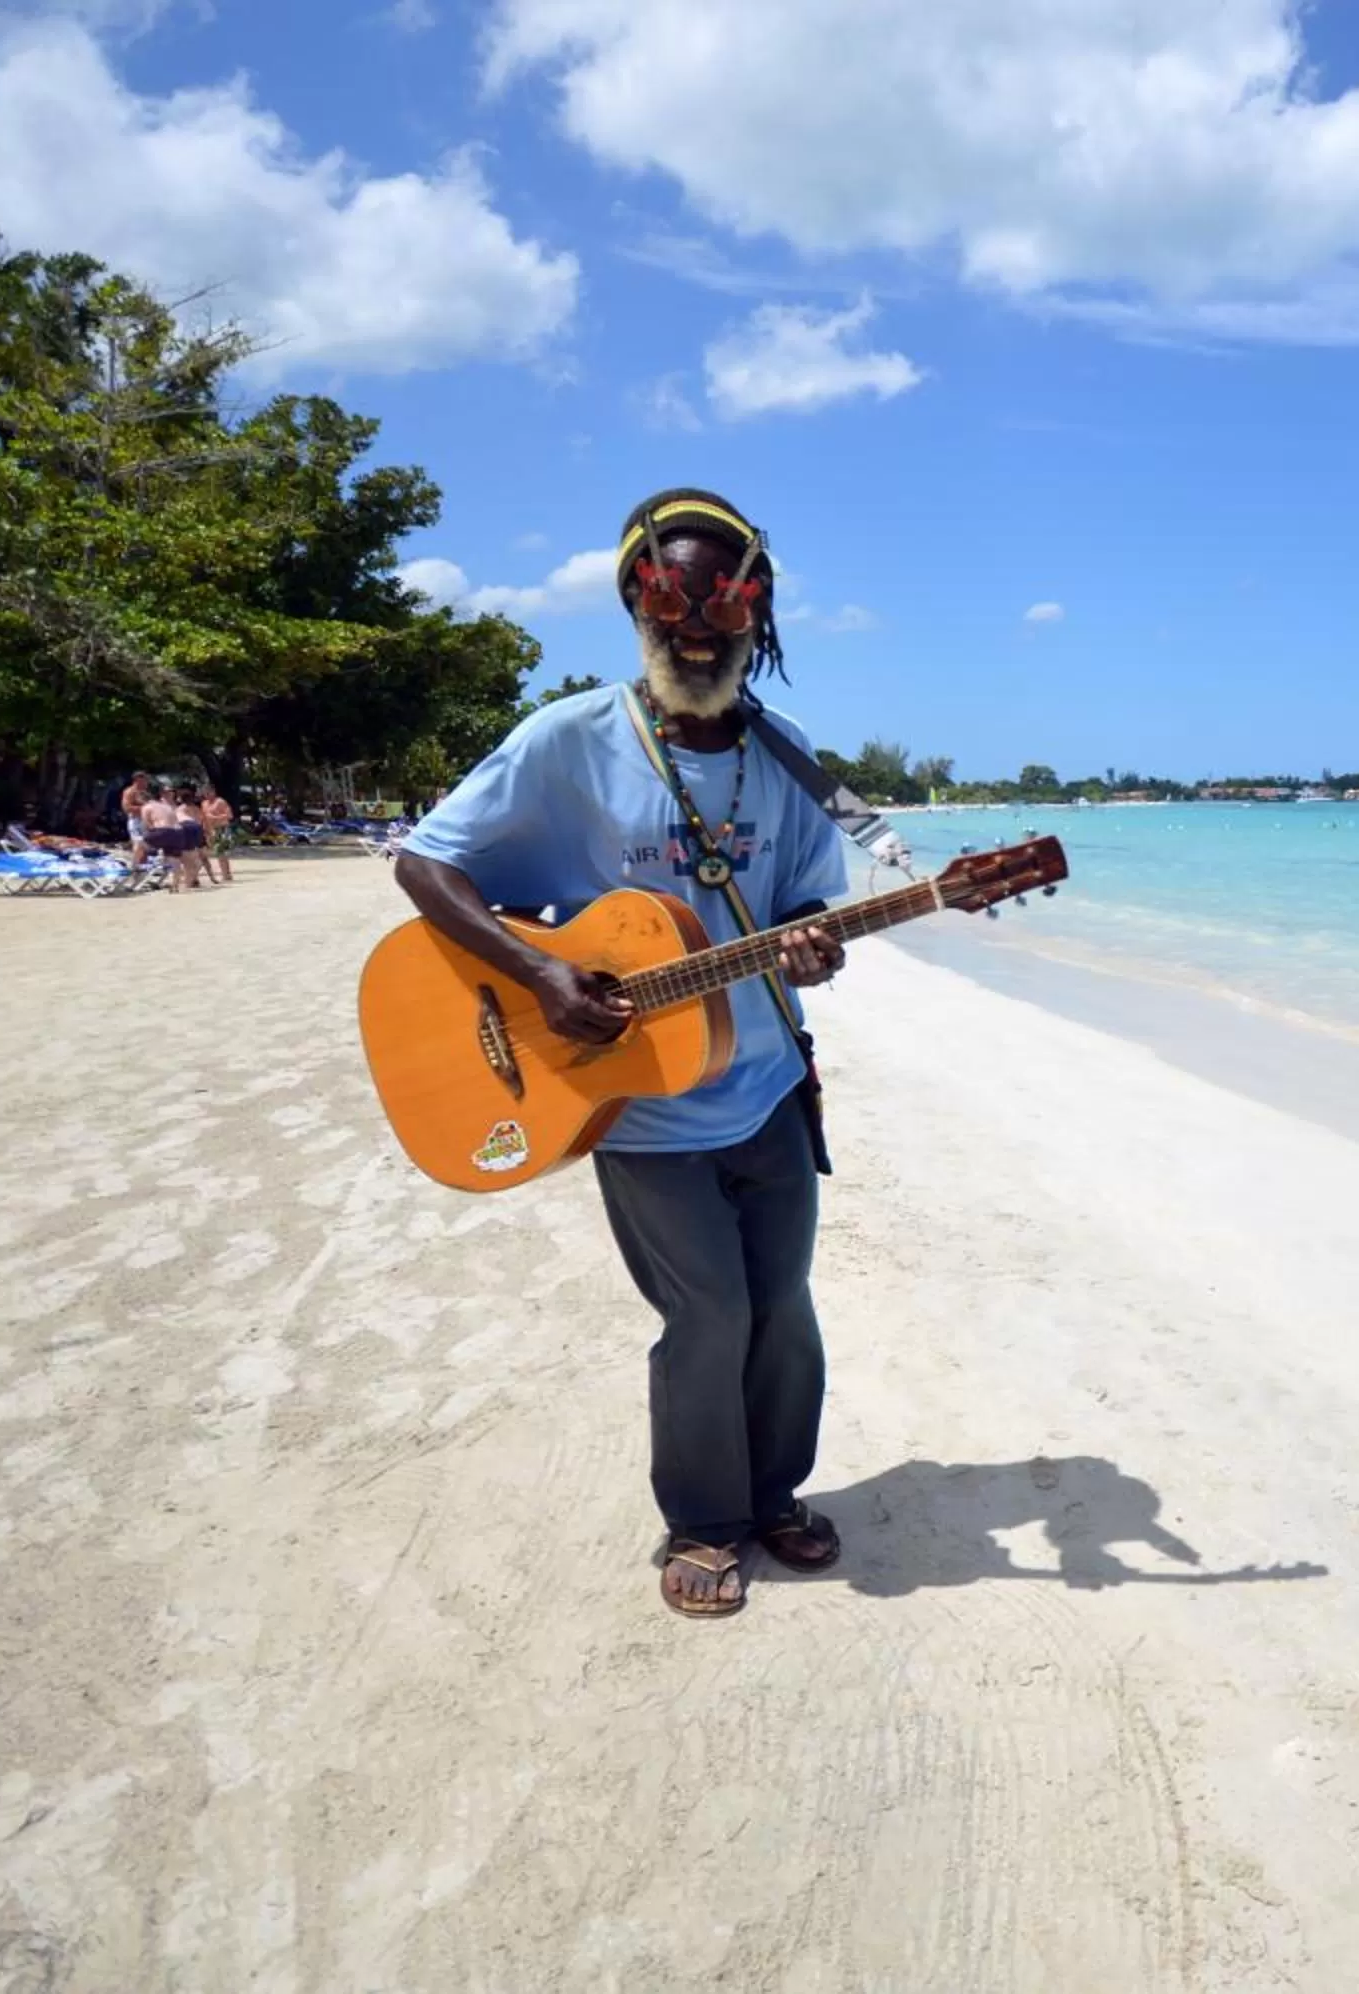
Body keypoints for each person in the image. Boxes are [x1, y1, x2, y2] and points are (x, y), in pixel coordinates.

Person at [393, 487, 849, 1622]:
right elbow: (425, 864)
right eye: (668, 604)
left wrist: (810, 949)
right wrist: (544, 971)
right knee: (708, 1314)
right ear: (634, 606)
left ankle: (773, 1491)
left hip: (765, 1088)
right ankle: (702, 1519)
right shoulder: (568, 741)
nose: (695, 630)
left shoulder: (791, 764)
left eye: (721, 609)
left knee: (783, 1305)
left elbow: (800, 910)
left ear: (760, 618)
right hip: (637, 1104)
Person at [198, 783, 235, 884]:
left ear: (213, 792)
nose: (207, 795)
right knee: (217, 852)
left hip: (222, 828)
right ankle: (226, 873)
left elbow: (229, 815)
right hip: (211, 829)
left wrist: (216, 818)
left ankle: (226, 874)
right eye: (205, 793)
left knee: (221, 851)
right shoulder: (204, 803)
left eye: (208, 792)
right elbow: (204, 817)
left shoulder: (220, 802)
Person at [119, 770, 152, 867]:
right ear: (137, 780)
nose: (146, 782)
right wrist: (144, 808)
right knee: (138, 843)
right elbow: (126, 807)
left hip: (146, 821)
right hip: (136, 820)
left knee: (146, 844)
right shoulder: (129, 792)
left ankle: (143, 867)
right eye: (144, 780)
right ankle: (135, 865)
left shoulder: (146, 793)